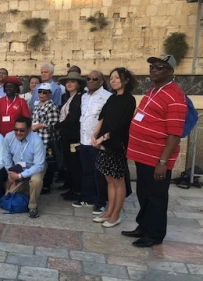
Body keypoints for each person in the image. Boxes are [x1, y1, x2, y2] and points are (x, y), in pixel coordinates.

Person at [124, 54, 187, 247]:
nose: (153, 70)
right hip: (142, 155)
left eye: (159, 67)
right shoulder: (153, 91)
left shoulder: (175, 97)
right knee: (143, 193)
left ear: (170, 71)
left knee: (156, 197)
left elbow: (175, 134)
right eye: (152, 66)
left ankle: (155, 234)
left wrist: (163, 162)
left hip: (156, 158)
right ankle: (143, 226)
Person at [91, 67, 137, 228]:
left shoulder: (129, 100)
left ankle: (116, 215)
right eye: (111, 78)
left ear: (126, 80)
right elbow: (102, 118)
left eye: (117, 77)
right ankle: (109, 211)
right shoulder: (111, 99)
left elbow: (122, 125)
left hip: (117, 144)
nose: (113, 80)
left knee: (118, 181)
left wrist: (103, 137)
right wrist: (94, 135)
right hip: (104, 144)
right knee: (109, 179)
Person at [72, 71, 112, 215]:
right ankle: (86, 197)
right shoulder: (84, 97)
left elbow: (106, 121)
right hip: (84, 140)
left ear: (101, 82)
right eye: (88, 79)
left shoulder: (107, 97)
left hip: (97, 142)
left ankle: (100, 202)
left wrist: (101, 139)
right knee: (86, 171)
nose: (91, 81)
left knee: (99, 174)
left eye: (95, 79)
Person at [3, 116, 47, 218]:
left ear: (29, 129)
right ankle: (27, 188)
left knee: (36, 181)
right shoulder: (9, 137)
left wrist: (19, 176)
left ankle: (33, 205)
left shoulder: (37, 141)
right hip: (17, 167)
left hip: (35, 167)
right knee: (9, 195)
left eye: (22, 130)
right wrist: (10, 174)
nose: (18, 132)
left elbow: (39, 165)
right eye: (16, 129)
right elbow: (6, 157)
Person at [55, 72, 85, 201]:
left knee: (74, 164)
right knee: (70, 163)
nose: (69, 84)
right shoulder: (68, 98)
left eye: (73, 81)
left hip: (73, 136)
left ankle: (77, 190)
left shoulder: (78, 98)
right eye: (67, 82)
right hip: (66, 136)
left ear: (78, 84)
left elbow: (72, 118)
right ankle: (73, 187)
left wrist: (58, 125)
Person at [31, 83, 60, 193]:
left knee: (46, 162)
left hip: (46, 139)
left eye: (45, 92)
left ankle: (46, 185)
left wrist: (38, 126)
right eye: (40, 91)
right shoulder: (38, 104)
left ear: (50, 94)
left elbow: (54, 124)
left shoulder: (51, 106)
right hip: (36, 139)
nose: (42, 94)